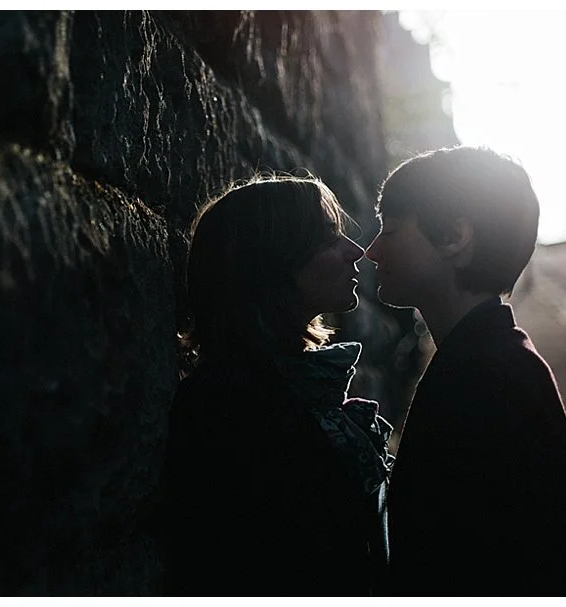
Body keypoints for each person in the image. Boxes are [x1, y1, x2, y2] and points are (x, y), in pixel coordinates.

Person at [162, 174, 394, 596]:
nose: (355, 251)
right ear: (271, 261)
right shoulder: (232, 414)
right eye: (328, 240)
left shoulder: (296, 391)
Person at [364, 146, 566, 596]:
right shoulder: (493, 362)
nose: (371, 249)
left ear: (454, 237)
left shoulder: (487, 380)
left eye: (391, 228)